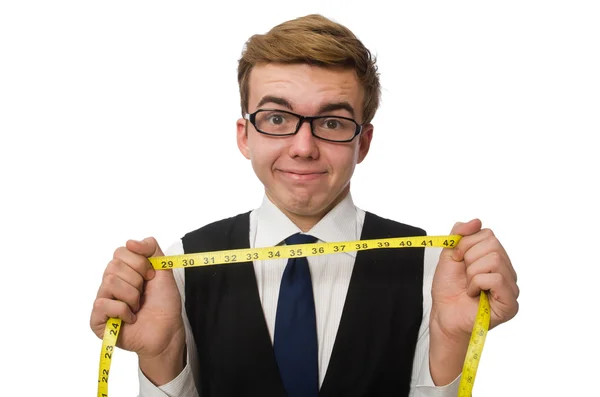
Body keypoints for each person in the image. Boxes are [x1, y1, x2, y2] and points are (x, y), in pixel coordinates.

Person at [90, 13, 519, 397]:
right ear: (245, 135)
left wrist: (451, 341)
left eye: (332, 122)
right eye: (277, 118)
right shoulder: (180, 269)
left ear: (363, 142)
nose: (303, 147)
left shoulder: (433, 267)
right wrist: (161, 359)